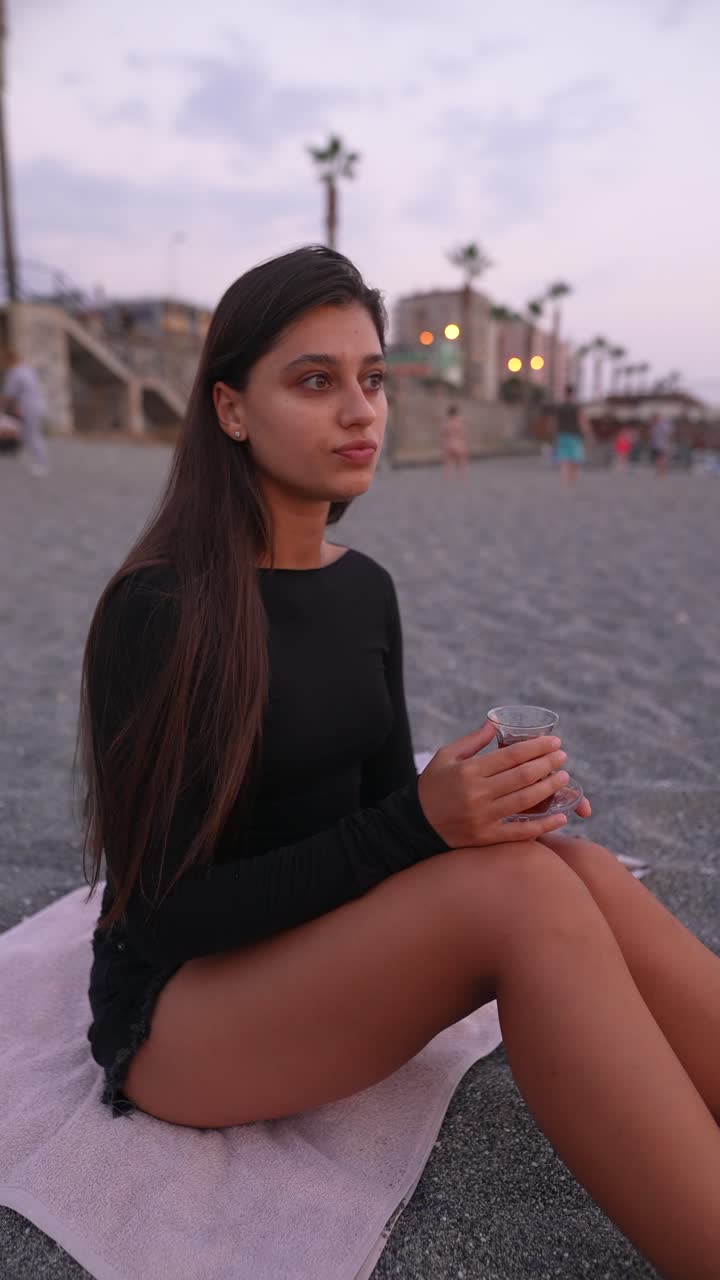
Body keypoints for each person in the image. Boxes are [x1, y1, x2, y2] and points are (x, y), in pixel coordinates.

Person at [79, 246, 720, 1280]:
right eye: (316, 380)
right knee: (519, 898)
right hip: (177, 1014)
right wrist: (425, 826)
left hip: (311, 952)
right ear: (233, 409)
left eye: (372, 378)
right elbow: (161, 911)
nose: (360, 410)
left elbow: (383, 809)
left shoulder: (363, 588)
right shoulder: (160, 609)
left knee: (573, 870)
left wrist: (489, 811)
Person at [0, 349, 50, 476]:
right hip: (36, 405)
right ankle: (19, 454)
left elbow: (8, 394)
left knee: (33, 434)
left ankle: (41, 463)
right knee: (24, 433)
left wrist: (2, 407)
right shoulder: (27, 369)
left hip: (28, 407)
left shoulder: (15, 372)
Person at [552, 383, 594, 488]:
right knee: (575, 459)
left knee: (564, 459)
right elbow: (582, 422)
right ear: (573, 394)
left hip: (562, 435)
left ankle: (564, 481)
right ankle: (572, 482)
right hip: (574, 435)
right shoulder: (576, 407)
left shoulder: (560, 407)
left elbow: (554, 422)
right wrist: (588, 434)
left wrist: (554, 434)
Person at [441, 403, 469, 478]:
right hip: (458, 443)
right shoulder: (459, 422)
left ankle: (448, 478)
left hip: (448, 444)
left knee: (449, 463)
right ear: (456, 412)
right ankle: (463, 477)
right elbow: (463, 434)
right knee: (462, 462)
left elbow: (444, 434)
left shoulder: (446, 422)